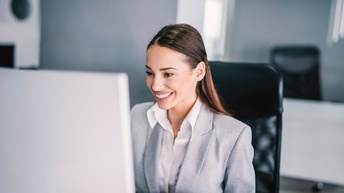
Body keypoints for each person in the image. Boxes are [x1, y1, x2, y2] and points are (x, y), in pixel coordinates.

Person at [130, 23, 255, 193]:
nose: (156, 85)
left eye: (168, 74)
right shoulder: (136, 116)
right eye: (150, 73)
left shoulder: (233, 136)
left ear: (199, 72)